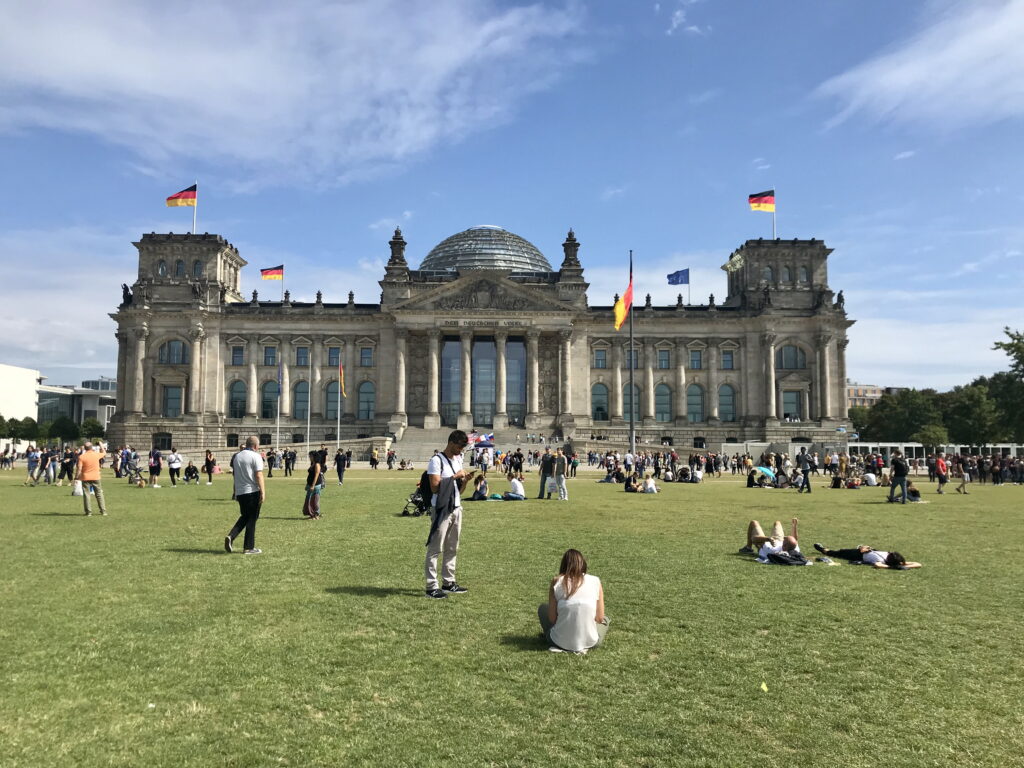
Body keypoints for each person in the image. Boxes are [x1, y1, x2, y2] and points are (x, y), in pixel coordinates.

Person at [424, 430, 474, 599]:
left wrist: (464, 481)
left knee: (452, 547)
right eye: (460, 446)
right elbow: (435, 487)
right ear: (451, 443)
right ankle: (431, 587)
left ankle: (448, 582)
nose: (461, 450)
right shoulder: (436, 461)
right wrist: (454, 476)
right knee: (435, 549)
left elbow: (458, 490)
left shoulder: (458, 459)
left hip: (456, 507)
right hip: (442, 509)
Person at [538, 549, 609, 654]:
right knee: (605, 619)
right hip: (591, 641)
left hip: (559, 641)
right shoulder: (595, 581)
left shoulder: (557, 581)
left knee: (543, 608)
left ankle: (559, 632)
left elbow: (552, 619)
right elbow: (599, 618)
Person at [224, 435, 266, 555]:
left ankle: (231, 536)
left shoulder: (237, 456)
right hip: (252, 491)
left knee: (245, 516)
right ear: (256, 446)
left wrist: (235, 491)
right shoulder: (256, 456)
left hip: (240, 492)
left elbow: (235, 475)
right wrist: (263, 492)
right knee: (252, 519)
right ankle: (248, 547)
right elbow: (259, 475)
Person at [739, 518, 806, 564]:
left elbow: (754, 539)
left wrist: (768, 539)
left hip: (770, 543)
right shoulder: (795, 549)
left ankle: (748, 548)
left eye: (785, 539)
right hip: (778, 540)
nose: (784, 537)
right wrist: (794, 526)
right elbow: (794, 540)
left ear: (784, 546)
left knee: (754, 522)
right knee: (777, 523)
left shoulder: (771, 549)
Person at [813, 543, 921, 569]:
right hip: (869, 550)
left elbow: (877, 565)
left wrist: (893, 567)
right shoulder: (892, 559)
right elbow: (918, 564)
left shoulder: (882, 562)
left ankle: (823, 550)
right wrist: (904, 565)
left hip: (858, 555)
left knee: (838, 553)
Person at [75, 441, 108, 516]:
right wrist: (101, 445)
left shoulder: (81, 457)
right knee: (99, 494)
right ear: (91, 447)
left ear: (85, 448)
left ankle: (88, 512)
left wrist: (76, 477)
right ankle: (103, 511)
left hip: (85, 477)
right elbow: (104, 453)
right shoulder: (96, 455)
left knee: (86, 495)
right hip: (96, 477)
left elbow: (79, 468)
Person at [302, 450, 323, 519]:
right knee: (308, 500)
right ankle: (311, 514)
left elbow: (316, 475)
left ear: (314, 456)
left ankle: (316, 514)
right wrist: (307, 484)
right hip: (310, 484)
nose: (309, 457)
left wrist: (313, 485)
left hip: (316, 485)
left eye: (310, 456)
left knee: (314, 500)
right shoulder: (313, 463)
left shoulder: (317, 464)